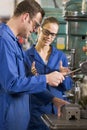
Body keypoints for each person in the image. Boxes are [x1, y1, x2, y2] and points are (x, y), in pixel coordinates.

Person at [0, 1, 68, 130]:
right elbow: (11, 84)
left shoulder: (14, 43)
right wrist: (46, 78)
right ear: (25, 17)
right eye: (36, 24)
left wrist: (53, 99)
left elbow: (27, 82)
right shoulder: (3, 41)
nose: (36, 30)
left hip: (18, 121)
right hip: (7, 122)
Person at [25, 17, 73, 130]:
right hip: (37, 112)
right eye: (46, 32)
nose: (49, 37)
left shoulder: (60, 56)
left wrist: (64, 76)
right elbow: (27, 85)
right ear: (39, 30)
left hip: (58, 111)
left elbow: (68, 86)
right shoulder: (27, 56)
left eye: (53, 34)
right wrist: (35, 77)